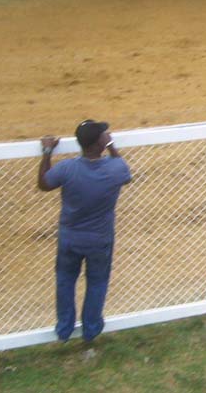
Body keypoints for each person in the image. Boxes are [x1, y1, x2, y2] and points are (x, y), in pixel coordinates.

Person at [37, 119, 131, 343]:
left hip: (70, 237)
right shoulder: (114, 168)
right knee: (97, 281)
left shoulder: (67, 168)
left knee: (65, 280)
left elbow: (43, 184)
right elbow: (125, 173)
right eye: (102, 135)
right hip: (100, 239)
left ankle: (64, 329)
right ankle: (91, 329)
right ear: (99, 143)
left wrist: (47, 152)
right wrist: (112, 146)